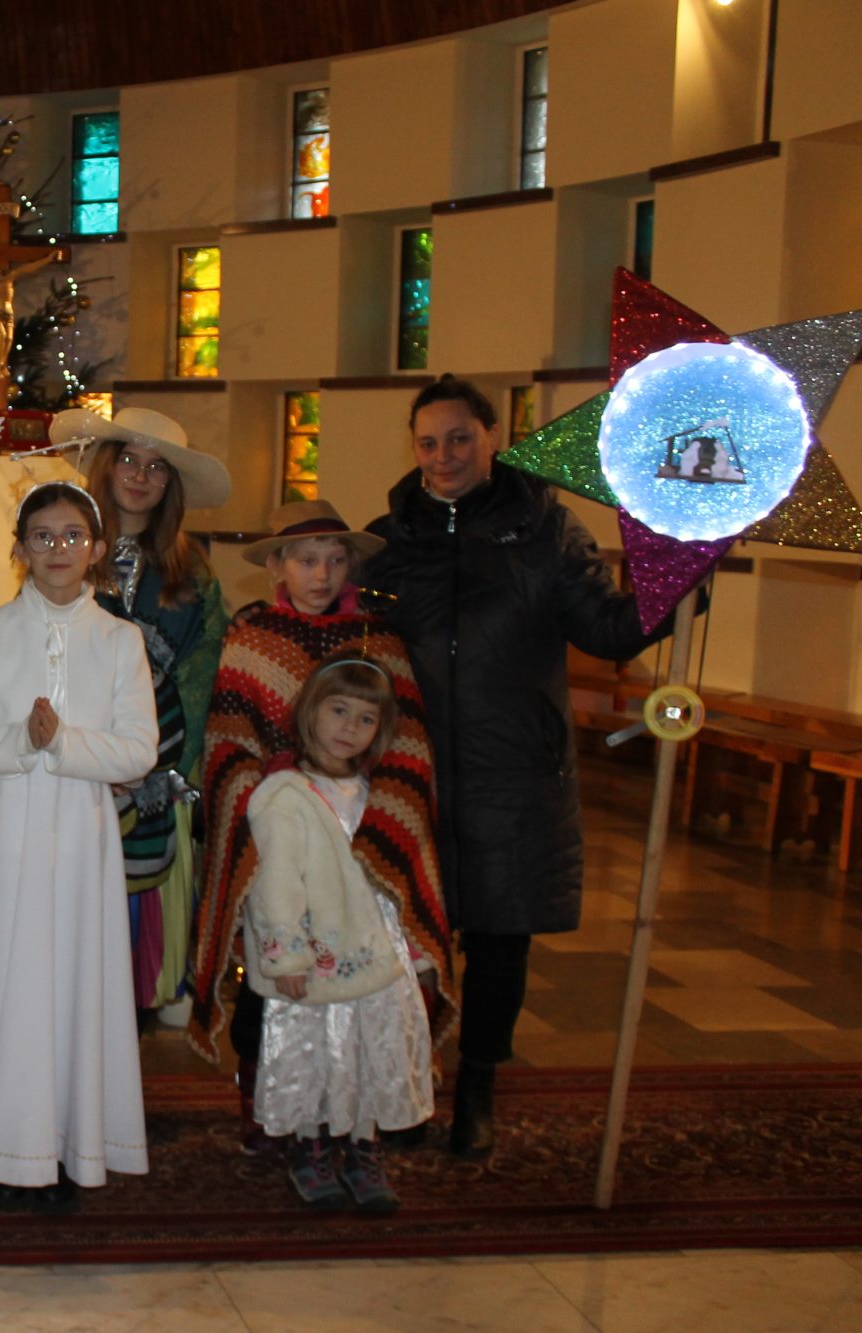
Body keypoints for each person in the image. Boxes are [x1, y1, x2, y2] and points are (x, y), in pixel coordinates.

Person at [363, 374, 658, 1157]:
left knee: (499, 938)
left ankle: (478, 1087)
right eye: (428, 442)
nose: (444, 455)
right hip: (413, 771)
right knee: (406, 938)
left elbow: (608, 628)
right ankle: (404, 1081)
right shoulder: (389, 539)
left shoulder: (544, 529)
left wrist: (676, 580)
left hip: (516, 771)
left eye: (460, 437)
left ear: (493, 436)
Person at [187, 501, 454, 1154]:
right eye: (307, 560)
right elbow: (226, 742)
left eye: (336, 561)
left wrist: (377, 816)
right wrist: (268, 788)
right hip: (280, 838)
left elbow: (410, 744)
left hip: (360, 840)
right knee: (270, 983)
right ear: (277, 566)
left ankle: (356, 1104)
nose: (322, 574)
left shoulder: (378, 642)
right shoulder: (252, 639)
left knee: (367, 985)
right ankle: (263, 1100)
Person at [0, 482, 158, 1214]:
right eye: (42, 536)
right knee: (13, 977)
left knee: (74, 979)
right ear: (20, 548)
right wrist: (20, 743)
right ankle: (5, 1148)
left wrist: (63, 744)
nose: (58, 548)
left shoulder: (119, 640)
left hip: (84, 833)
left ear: (97, 549)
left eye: (72, 536)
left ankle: (67, 1146)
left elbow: (139, 749)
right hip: (12, 828)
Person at [50, 407, 230, 1020]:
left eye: (156, 468)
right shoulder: (62, 551)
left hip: (156, 772)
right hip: (74, 769)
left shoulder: (193, 574)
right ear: (105, 465)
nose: (139, 475)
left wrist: (153, 761)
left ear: (171, 486)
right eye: (128, 459)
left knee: (131, 959)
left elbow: (202, 673)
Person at [245, 652, 434, 1212]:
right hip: (318, 957)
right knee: (317, 1053)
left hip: (376, 954)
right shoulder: (285, 794)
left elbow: (402, 870)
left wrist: (416, 944)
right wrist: (287, 957)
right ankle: (311, 1146)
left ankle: (363, 1147)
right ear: (310, 711)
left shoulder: (382, 792)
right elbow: (276, 882)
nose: (350, 727)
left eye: (366, 718)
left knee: (370, 1050)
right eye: (339, 711)